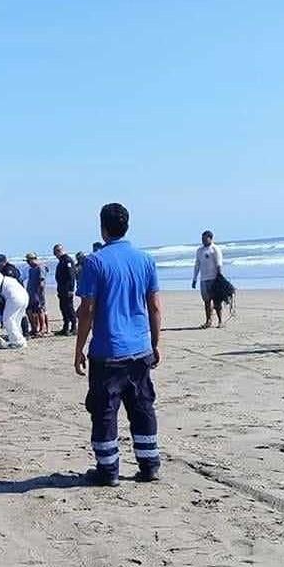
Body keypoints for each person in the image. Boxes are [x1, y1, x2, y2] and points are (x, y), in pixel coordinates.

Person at [75, 204, 162, 486]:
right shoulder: (145, 260)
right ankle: (149, 465)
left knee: (104, 411)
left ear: (102, 227)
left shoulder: (95, 262)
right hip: (139, 348)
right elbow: (155, 307)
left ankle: (108, 470)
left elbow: (86, 310)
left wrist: (79, 348)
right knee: (142, 407)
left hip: (108, 351)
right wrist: (155, 342)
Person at [0, 265, 29, 348]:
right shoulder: (9, 279)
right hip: (25, 296)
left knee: (7, 320)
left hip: (15, 299)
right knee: (17, 320)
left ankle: (19, 341)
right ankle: (14, 339)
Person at [192, 230, 225, 328]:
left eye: (205, 238)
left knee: (217, 301)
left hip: (213, 279)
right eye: (202, 238)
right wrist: (194, 278)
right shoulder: (199, 250)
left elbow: (219, 263)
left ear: (210, 238)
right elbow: (197, 265)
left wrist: (219, 277)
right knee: (206, 301)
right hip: (203, 280)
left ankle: (220, 321)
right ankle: (208, 321)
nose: (203, 240)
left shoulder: (215, 249)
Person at [53, 244, 77, 336]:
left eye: (56, 253)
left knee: (69, 308)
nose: (56, 256)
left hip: (67, 289)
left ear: (60, 251)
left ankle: (74, 327)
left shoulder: (67, 260)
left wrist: (71, 289)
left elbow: (71, 276)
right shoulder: (61, 261)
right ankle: (66, 327)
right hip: (61, 289)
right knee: (63, 308)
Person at [25, 252, 49, 337]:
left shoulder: (40, 267)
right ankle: (34, 328)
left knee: (40, 310)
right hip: (31, 293)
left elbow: (42, 282)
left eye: (28, 261)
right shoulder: (31, 269)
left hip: (38, 293)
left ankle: (42, 329)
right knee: (31, 311)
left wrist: (39, 293)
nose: (27, 263)